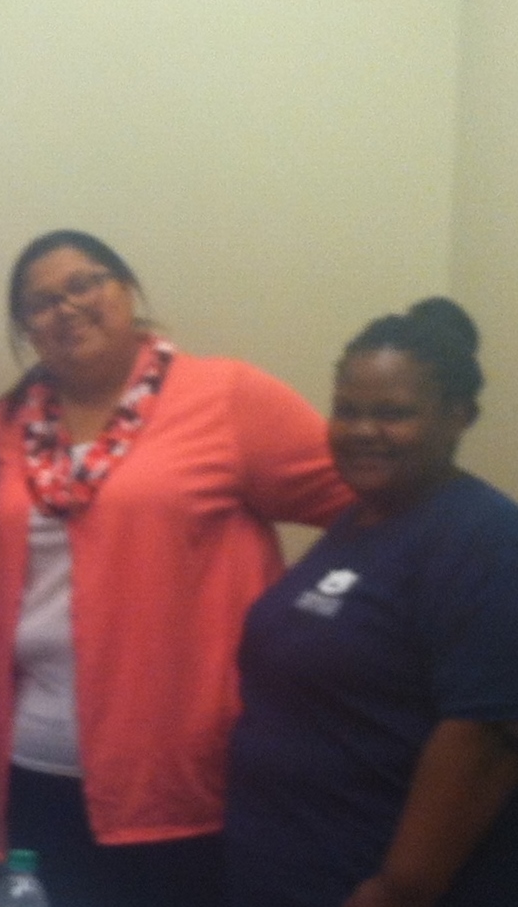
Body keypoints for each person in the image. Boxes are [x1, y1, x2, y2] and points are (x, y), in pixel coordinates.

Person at [0, 229, 350, 907]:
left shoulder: (225, 395)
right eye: (41, 302)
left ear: (127, 290)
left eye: (84, 283)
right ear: (26, 329)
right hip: (34, 762)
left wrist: (305, 626)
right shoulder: (9, 422)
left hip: (181, 777)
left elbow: (363, 501)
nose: (66, 307)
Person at [226, 298, 518, 907]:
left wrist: (396, 890)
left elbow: (485, 736)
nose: (362, 431)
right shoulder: (357, 524)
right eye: (348, 411)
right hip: (280, 869)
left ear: (458, 416)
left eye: (393, 414)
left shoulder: (485, 537)